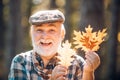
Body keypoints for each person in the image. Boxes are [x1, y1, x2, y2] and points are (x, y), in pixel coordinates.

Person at [8, 9, 100, 80]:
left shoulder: (77, 64)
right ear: (31, 34)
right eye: (39, 30)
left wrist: (88, 72)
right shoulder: (21, 61)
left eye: (51, 30)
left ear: (62, 34)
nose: (45, 36)